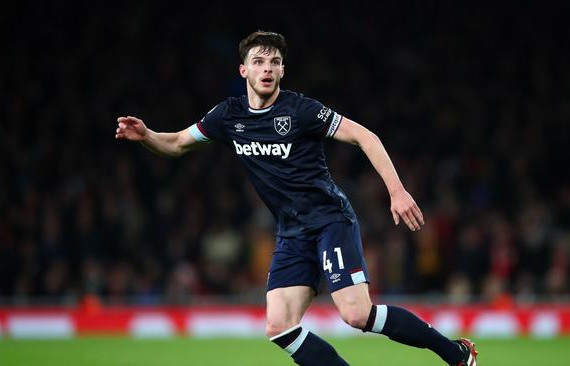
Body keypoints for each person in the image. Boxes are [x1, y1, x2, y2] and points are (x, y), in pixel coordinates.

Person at [115, 30, 478, 366]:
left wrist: (396, 192)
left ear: (283, 70)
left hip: (329, 220)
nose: (267, 68)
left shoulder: (301, 110)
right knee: (279, 325)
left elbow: (365, 136)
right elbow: (176, 143)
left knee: (356, 315)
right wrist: (147, 135)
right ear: (243, 70)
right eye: (258, 61)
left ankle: (456, 353)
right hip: (292, 232)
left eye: (274, 62)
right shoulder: (228, 115)